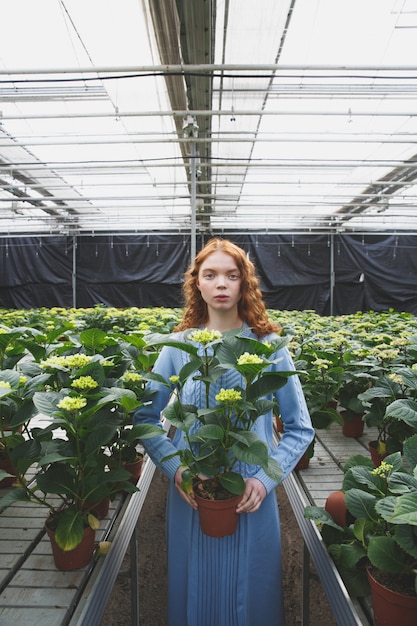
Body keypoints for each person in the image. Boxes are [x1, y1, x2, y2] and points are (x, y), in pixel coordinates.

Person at [134, 238, 314, 626]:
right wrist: (177, 472)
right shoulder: (179, 345)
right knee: (192, 594)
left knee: (254, 596)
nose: (221, 284)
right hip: (191, 497)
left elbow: (300, 428)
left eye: (231, 275)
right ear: (196, 283)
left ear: (244, 283)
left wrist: (265, 480)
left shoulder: (268, 346)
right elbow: (145, 418)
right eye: (210, 275)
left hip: (252, 497)